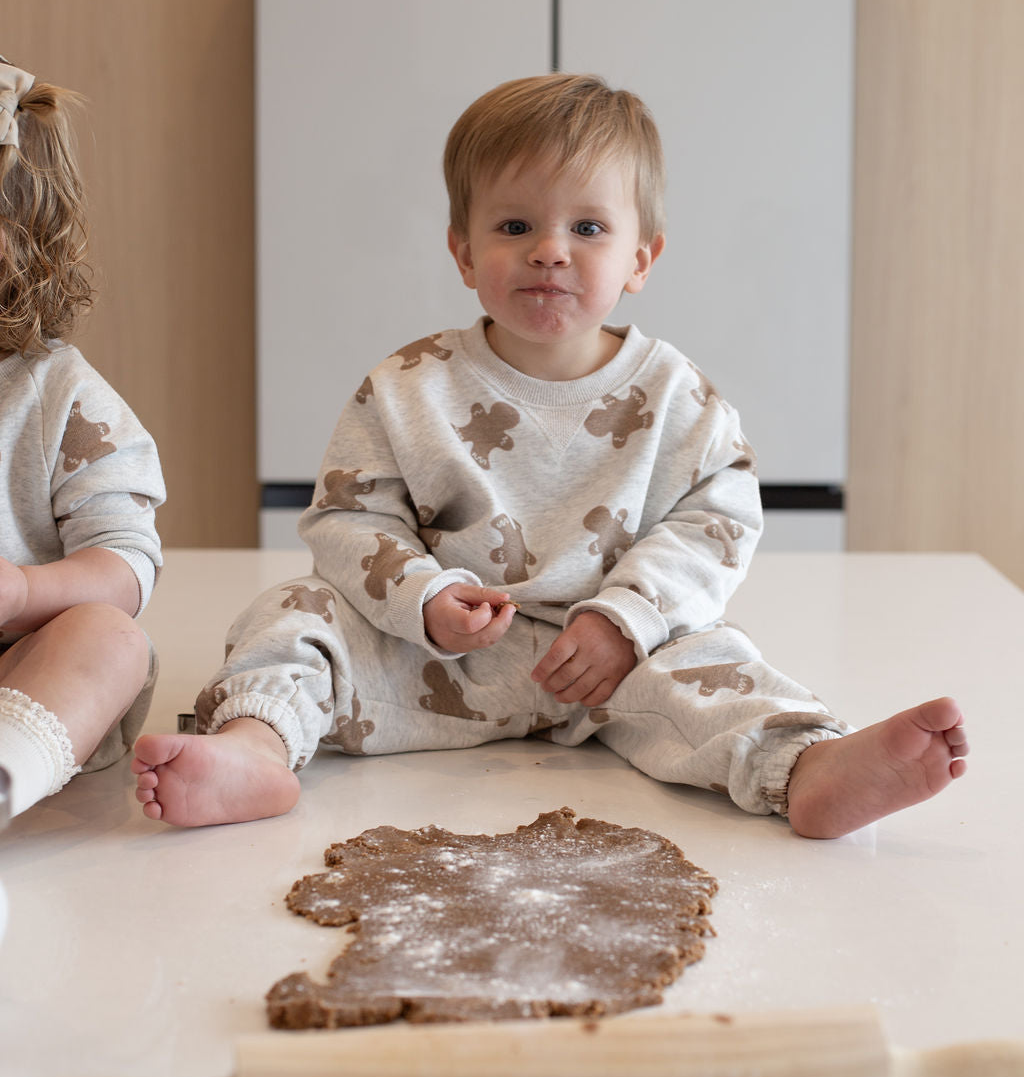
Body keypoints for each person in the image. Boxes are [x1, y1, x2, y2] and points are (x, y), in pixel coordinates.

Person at [132, 73, 967, 838]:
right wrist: (426, 599)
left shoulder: (679, 396)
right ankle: (256, 748)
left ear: (642, 258)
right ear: (464, 250)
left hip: (615, 666)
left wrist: (626, 619)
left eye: (589, 227)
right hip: (438, 665)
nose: (550, 249)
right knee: (291, 613)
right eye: (516, 225)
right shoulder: (408, 386)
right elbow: (350, 517)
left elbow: (716, 520)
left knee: (719, 666)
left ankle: (808, 768)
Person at [0, 58, 164, 824]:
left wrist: (27, 593)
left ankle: (6, 774)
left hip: (20, 675)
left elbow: (126, 564)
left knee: (109, 639)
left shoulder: (59, 396)